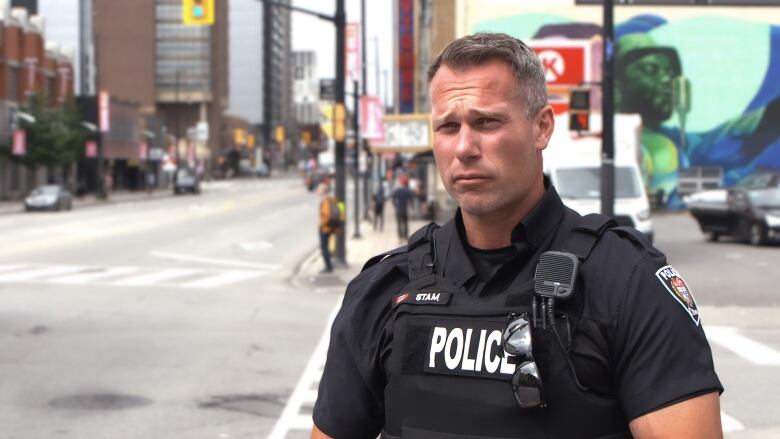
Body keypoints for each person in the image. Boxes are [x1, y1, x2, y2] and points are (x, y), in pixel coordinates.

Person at [311, 32, 723, 439]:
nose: (464, 147)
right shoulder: (384, 288)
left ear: (541, 127)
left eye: (486, 122)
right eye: (448, 127)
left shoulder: (627, 281)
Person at [317, 183, 339, 273]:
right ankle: (329, 265)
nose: (317, 191)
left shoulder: (325, 201)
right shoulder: (329, 199)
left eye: (319, 189)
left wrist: (321, 225)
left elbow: (327, 215)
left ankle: (328, 266)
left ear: (323, 191)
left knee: (324, 248)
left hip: (325, 229)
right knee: (327, 247)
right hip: (329, 228)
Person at [392, 174, 414, 241]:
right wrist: (412, 208)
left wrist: (395, 205)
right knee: (405, 223)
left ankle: (400, 237)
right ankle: (406, 236)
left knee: (399, 223)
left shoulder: (397, 190)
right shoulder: (407, 191)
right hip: (405, 209)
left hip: (398, 209)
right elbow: (411, 199)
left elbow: (393, 198)